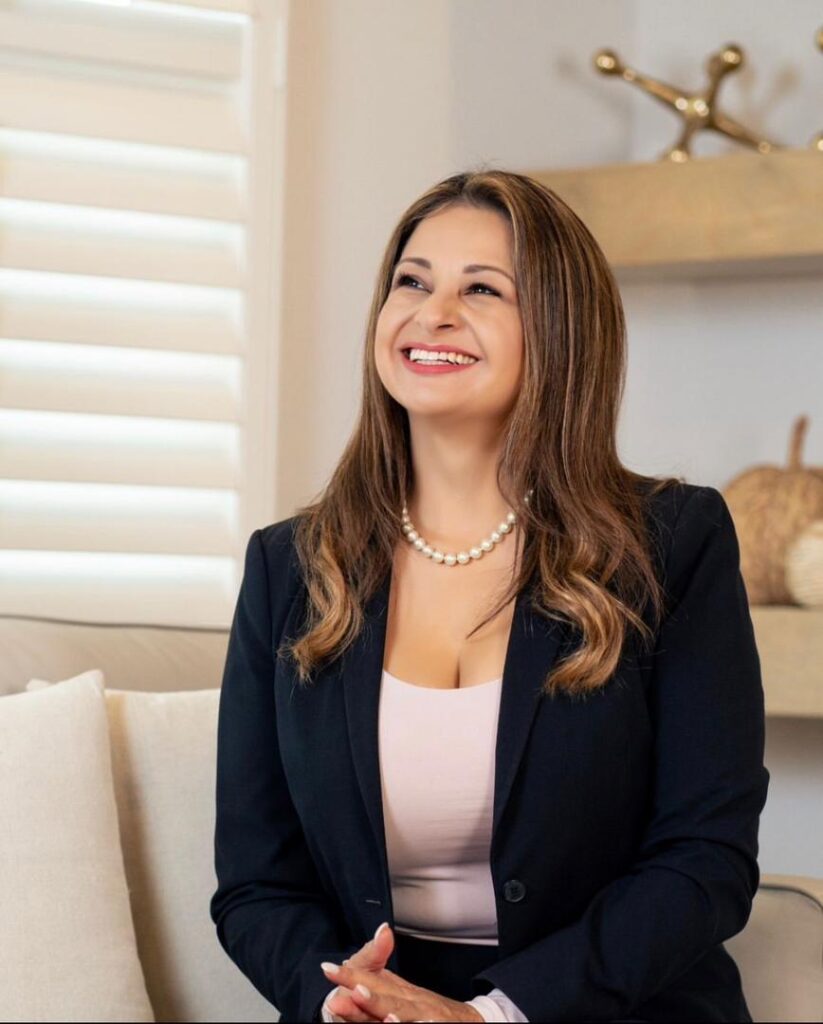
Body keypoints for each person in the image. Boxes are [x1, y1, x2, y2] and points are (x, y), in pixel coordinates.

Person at [209, 169, 769, 1023]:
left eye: (481, 289)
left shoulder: (670, 543)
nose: (431, 313)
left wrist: (493, 1015)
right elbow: (256, 880)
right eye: (411, 280)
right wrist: (342, 1003)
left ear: (557, 329)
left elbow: (704, 861)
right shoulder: (289, 566)